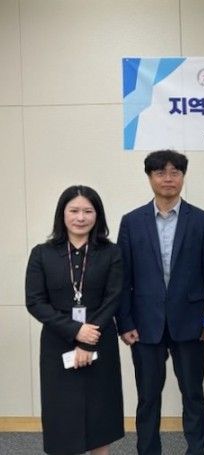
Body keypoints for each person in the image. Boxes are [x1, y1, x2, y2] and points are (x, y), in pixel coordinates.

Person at [116, 150, 204, 455]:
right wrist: (125, 322)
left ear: (183, 177)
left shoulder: (201, 220)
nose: (168, 179)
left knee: (193, 394)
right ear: (150, 177)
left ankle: (197, 451)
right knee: (148, 397)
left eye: (175, 172)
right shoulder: (132, 221)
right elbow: (122, 277)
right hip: (144, 324)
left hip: (190, 322)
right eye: (160, 173)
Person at [25, 185, 124, 455]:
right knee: (61, 414)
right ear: (63, 214)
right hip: (58, 342)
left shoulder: (111, 252)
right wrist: (76, 331)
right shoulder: (42, 253)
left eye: (88, 211)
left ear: (97, 215)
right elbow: (35, 301)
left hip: (100, 340)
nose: (81, 217)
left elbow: (113, 298)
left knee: (100, 413)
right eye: (74, 211)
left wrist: (88, 340)